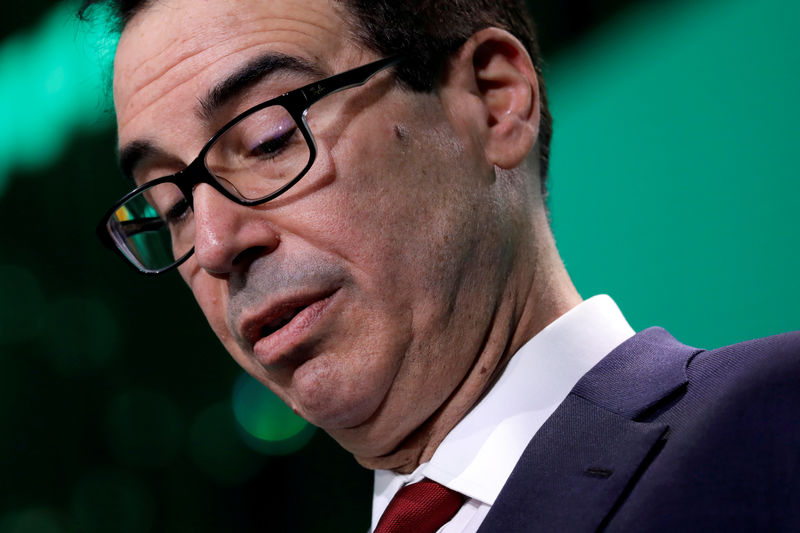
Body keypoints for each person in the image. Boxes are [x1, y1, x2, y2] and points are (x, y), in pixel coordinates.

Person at [87, 0, 800, 531]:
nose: (213, 245)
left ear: (493, 102)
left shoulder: (773, 426)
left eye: (269, 137)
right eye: (171, 204)